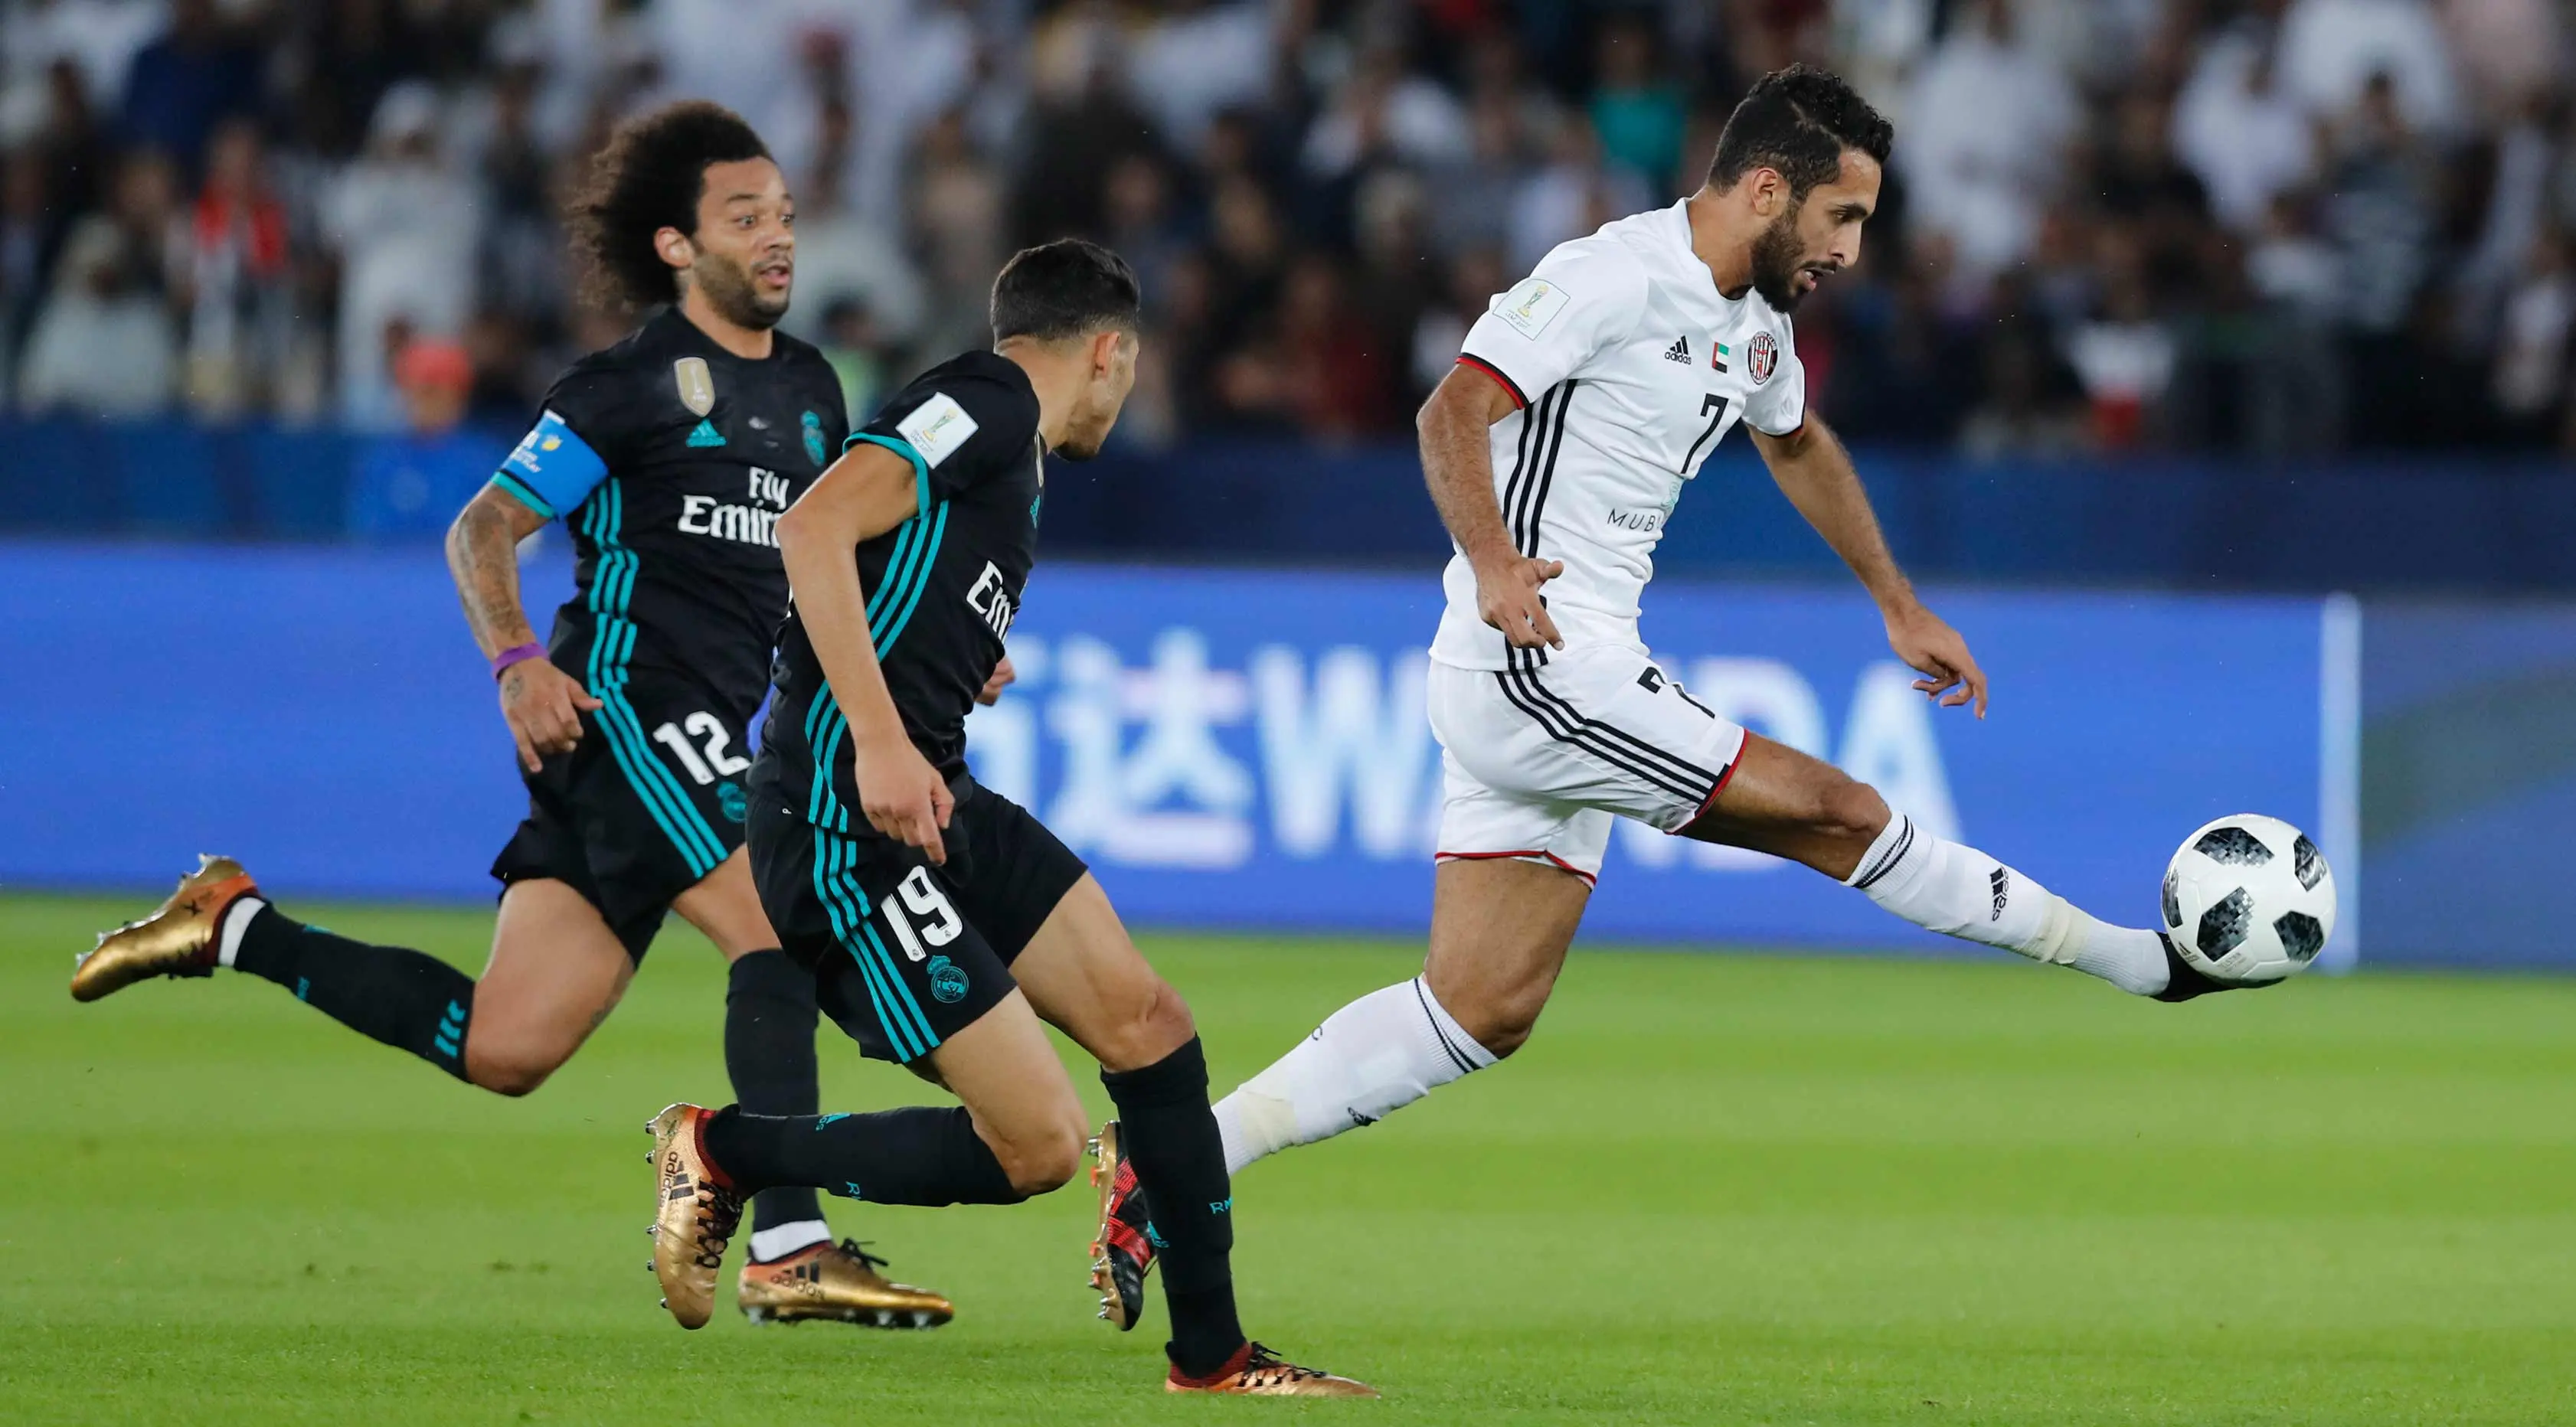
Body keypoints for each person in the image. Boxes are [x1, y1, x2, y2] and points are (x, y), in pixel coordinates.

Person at [1094, 64, 2257, 1312]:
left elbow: (1796, 439)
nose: (1854, 253)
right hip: (1537, 659)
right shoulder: (1606, 277)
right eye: (1843, 218)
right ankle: (2142, 965)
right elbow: (1452, 414)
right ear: (1766, 188)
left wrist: (1897, 599)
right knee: (1844, 812)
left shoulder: (1755, 324)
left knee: (1483, 1009)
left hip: (1561, 669)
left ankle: (1175, 1163)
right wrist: (1493, 564)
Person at [70, 100, 951, 1331]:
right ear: (674, 247)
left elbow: (818, 568)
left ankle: (233, 926)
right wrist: (516, 661)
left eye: (785, 217)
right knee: (776, 925)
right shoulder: (627, 384)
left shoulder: (811, 391)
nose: (778, 240)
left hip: (698, 742)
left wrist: (924, 658)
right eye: (744, 218)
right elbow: (482, 526)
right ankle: (790, 1240)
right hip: (627, 719)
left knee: (506, 1048)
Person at [639, 238, 1372, 1398]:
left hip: (935, 793)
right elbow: (813, 528)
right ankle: (722, 1149)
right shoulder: (981, 401)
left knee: (1149, 1024)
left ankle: (1215, 1358)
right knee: (1036, 1147)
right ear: (1108, 351)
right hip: (844, 814)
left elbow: (882, 570)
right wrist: (879, 736)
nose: (1124, 401)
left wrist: (947, 662)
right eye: (1129, 376)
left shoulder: (1006, 449)